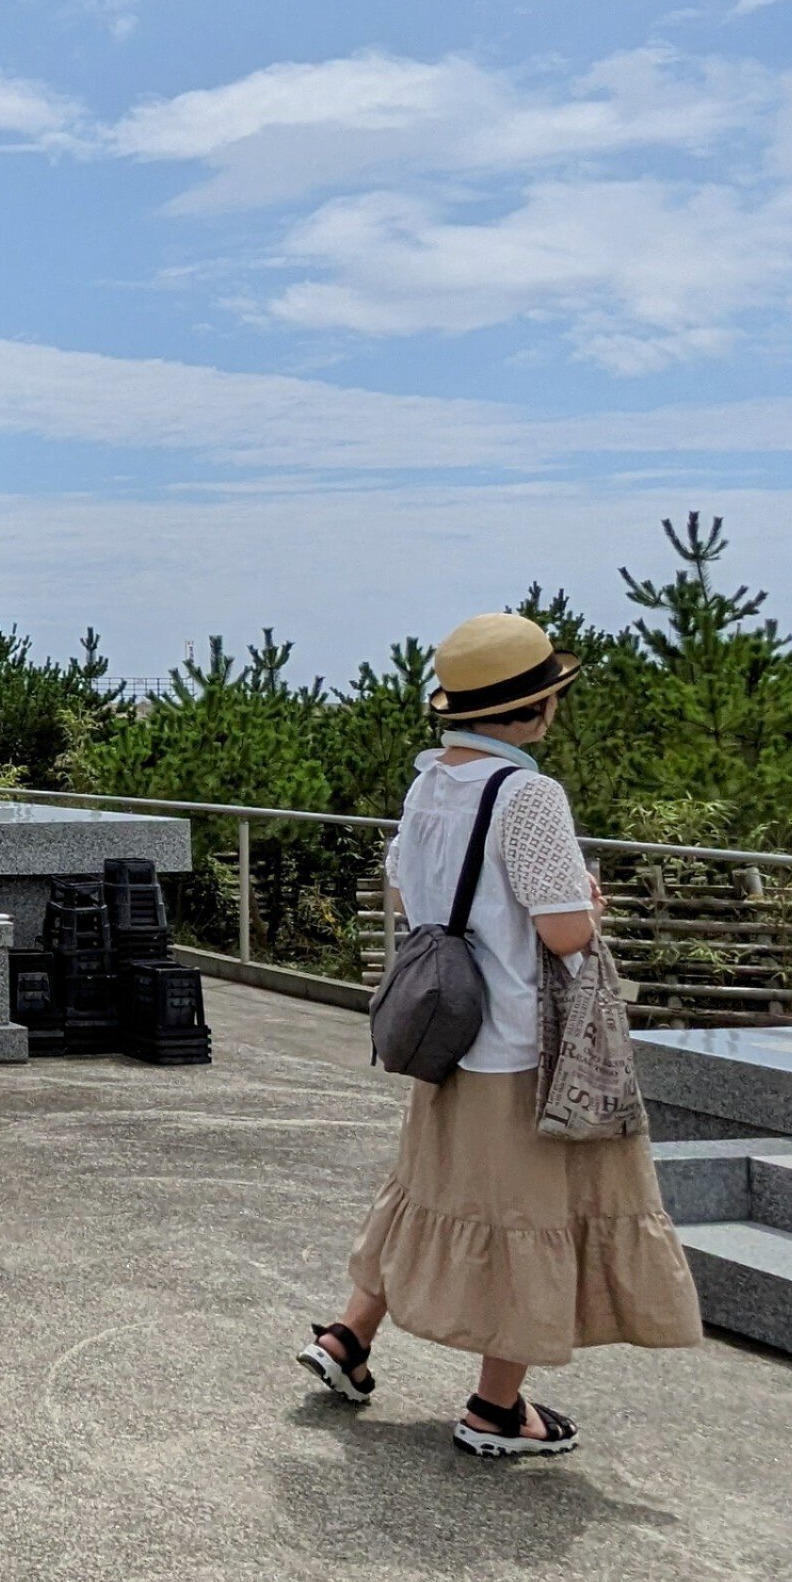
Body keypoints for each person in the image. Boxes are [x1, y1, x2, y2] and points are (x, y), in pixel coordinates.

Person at [305, 611, 699, 1457]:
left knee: (428, 1189)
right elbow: (561, 934)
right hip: (521, 1043)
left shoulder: (429, 786)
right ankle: (495, 1409)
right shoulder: (528, 795)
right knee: (530, 1217)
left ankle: (348, 1337)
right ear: (538, 710)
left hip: (446, 1032)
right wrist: (588, 906)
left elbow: (412, 894)